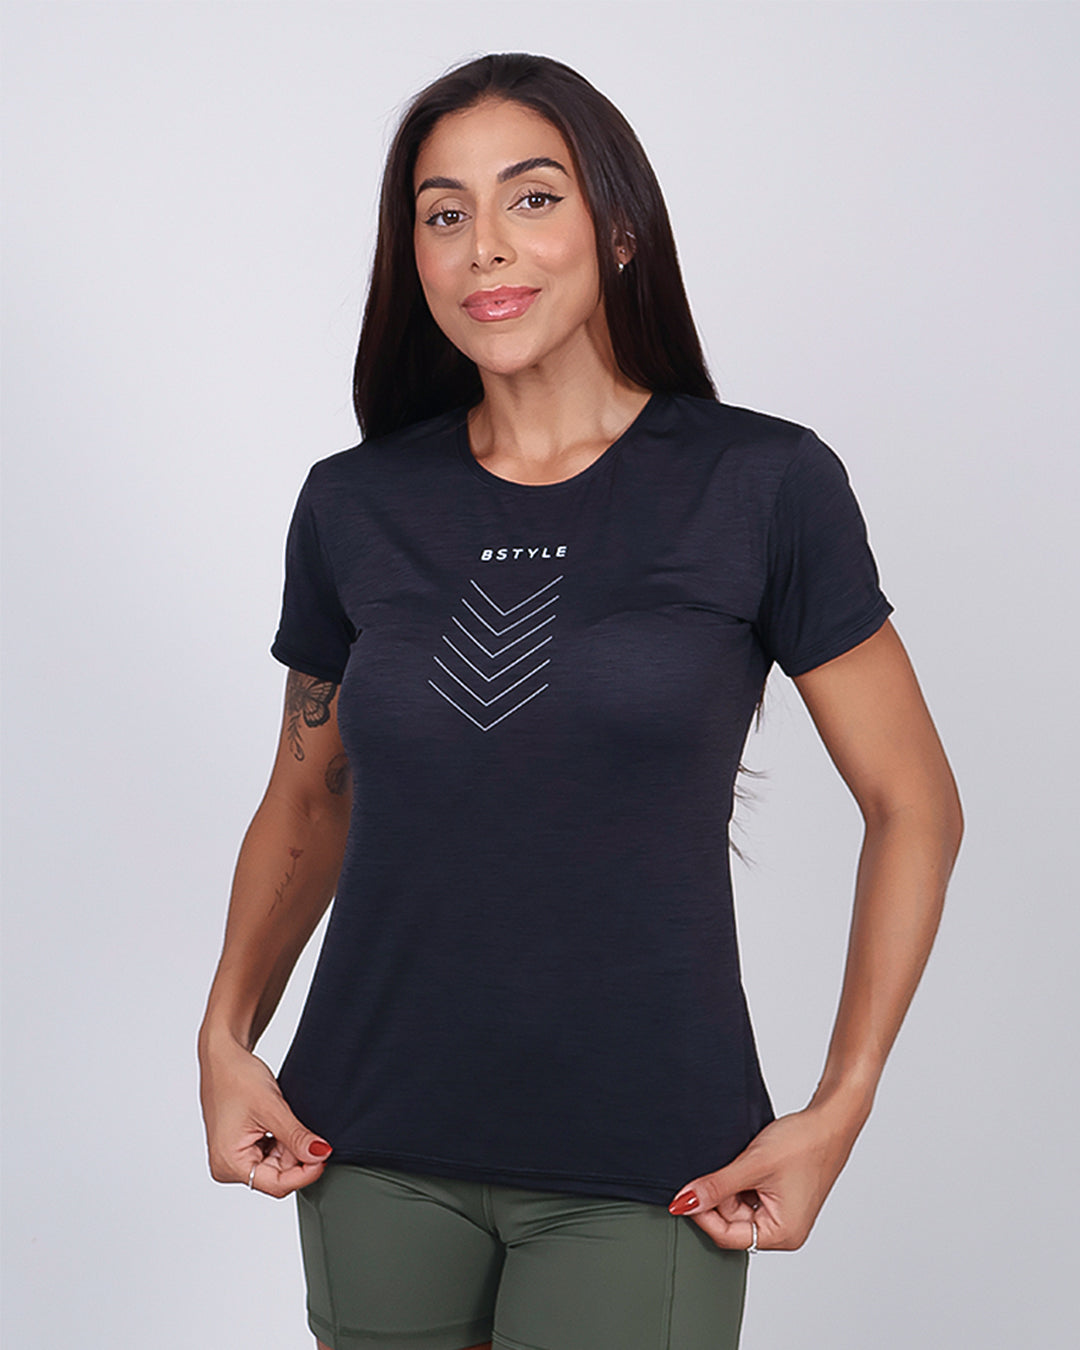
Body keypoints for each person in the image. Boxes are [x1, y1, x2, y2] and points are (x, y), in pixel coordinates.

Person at [197, 51, 963, 1350]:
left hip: (652, 1160)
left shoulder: (760, 484)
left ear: (617, 229)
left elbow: (915, 805)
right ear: (413, 256)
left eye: (532, 197)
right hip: (366, 1140)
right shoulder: (355, 504)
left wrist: (843, 1102)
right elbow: (308, 796)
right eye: (444, 213)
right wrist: (225, 1035)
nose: (486, 245)